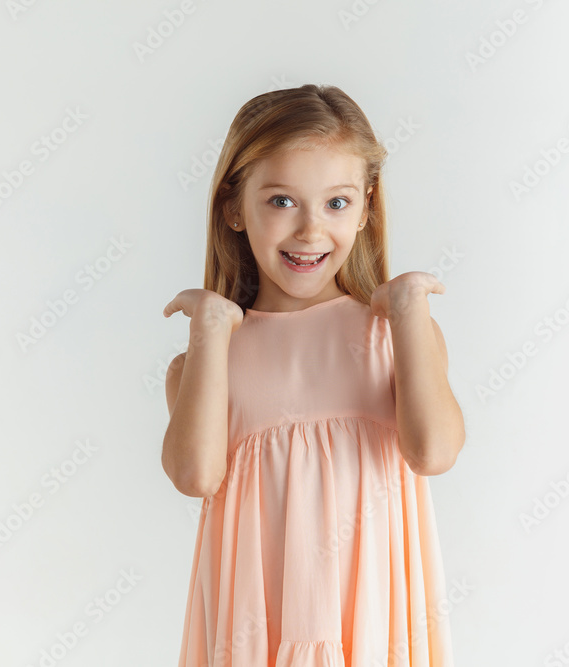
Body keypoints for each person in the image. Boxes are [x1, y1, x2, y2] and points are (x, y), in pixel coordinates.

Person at [162, 83, 465, 666]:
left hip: (372, 632)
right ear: (233, 207)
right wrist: (208, 329)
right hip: (260, 637)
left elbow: (434, 452)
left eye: (336, 202)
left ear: (367, 206)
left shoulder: (395, 338)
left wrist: (407, 312)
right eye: (281, 201)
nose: (309, 230)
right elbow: (196, 474)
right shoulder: (211, 360)